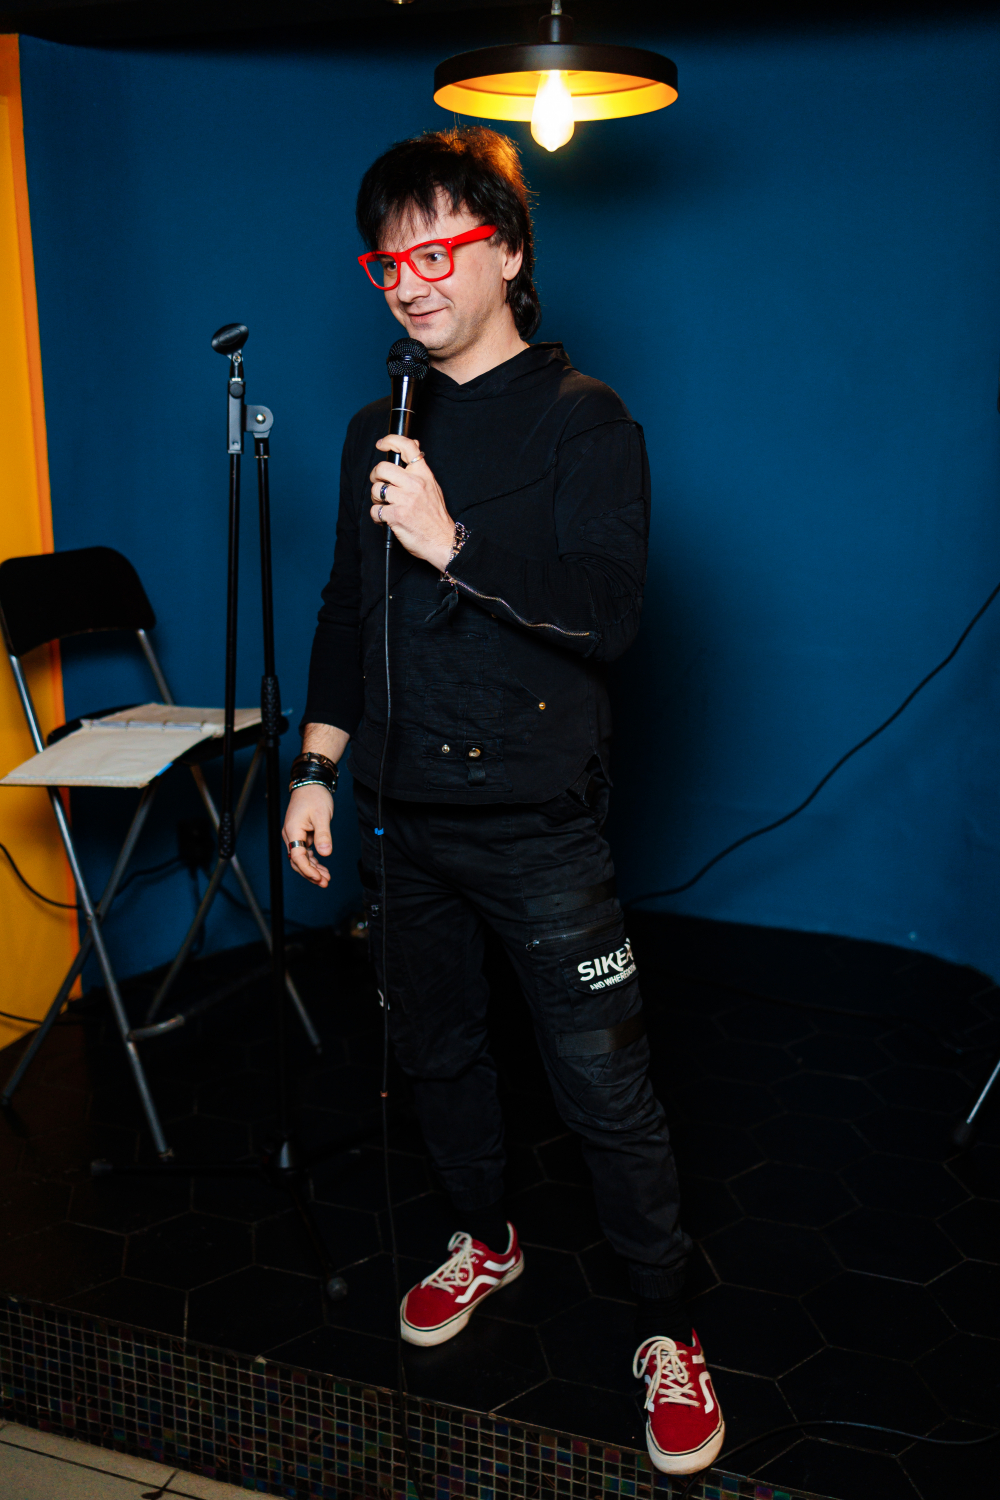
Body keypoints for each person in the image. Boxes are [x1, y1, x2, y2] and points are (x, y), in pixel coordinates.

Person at [282, 126, 724, 1477]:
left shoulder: (587, 419)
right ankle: (486, 1238)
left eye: (438, 251)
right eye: (387, 262)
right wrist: (317, 769)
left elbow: (607, 613)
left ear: (509, 251)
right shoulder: (377, 428)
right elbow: (349, 609)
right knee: (439, 1054)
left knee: (604, 1087)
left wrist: (453, 541)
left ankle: (669, 1327)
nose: (409, 283)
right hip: (400, 815)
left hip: (539, 826)